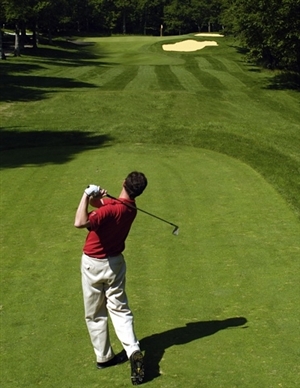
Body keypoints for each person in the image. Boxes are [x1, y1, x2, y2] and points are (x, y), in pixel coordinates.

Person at [74, 171, 147, 385]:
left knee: (95, 312)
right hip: (115, 264)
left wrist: (85, 195)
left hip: (93, 265)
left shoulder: (109, 211)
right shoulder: (131, 208)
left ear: (123, 182)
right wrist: (97, 196)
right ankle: (133, 349)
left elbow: (80, 222)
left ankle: (104, 357)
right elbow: (104, 205)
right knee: (120, 308)